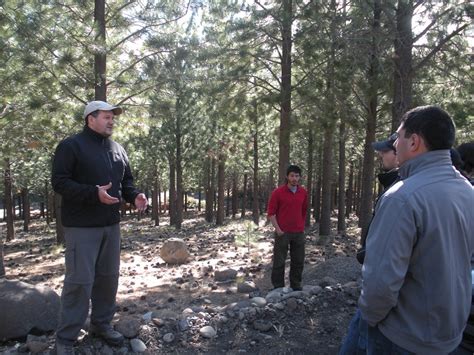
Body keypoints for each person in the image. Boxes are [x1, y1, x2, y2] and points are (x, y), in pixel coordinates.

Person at [359, 105, 473, 354]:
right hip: (450, 336)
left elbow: (381, 284)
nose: (395, 143)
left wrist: (370, 317)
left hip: (403, 337)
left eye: (399, 136)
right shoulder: (467, 192)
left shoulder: (402, 198)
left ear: (414, 142)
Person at [51, 101, 148, 354]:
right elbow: (60, 183)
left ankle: (101, 325)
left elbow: (126, 181)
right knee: (79, 282)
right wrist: (93, 194)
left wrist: (135, 195)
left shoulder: (117, 149)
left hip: (110, 225)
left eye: (112, 117)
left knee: (108, 279)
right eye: (106, 117)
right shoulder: (71, 146)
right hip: (82, 227)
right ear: (90, 119)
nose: (111, 121)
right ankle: (66, 338)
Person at [340, 136, 400, 354]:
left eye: (385, 151)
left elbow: (393, 251)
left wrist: (373, 308)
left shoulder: (401, 192)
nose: (380, 155)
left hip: (382, 297)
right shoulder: (394, 185)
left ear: (400, 153)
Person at [267, 165, 308, 291]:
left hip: (298, 232)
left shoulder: (303, 193)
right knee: (279, 261)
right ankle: (278, 287)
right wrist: (278, 229)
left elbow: (304, 211)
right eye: (292, 176)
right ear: (287, 176)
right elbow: (271, 213)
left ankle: (296, 285)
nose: (294, 178)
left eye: (297, 176)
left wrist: (301, 226)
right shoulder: (278, 193)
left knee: (298, 260)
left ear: (299, 177)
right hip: (282, 232)